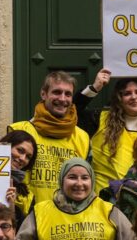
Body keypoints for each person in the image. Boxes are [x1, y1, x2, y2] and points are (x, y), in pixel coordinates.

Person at [8, 70, 91, 205]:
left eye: (68, 94)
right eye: (57, 92)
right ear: (43, 94)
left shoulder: (83, 138)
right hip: (25, 218)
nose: (63, 99)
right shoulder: (18, 130)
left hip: (65, 218)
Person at [75, 68, 137, 193]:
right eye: (127, 93)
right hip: (102, 201)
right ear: (119, 98)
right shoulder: (100, 119)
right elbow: (70, 110)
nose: (133, 97)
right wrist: (94, 88)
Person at [0, 130, 38, 229]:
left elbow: (22, 233)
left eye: (28, 157)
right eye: (20, 150)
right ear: (7, 145)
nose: (23, 158)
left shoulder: (27, 196)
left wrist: (12, 207)